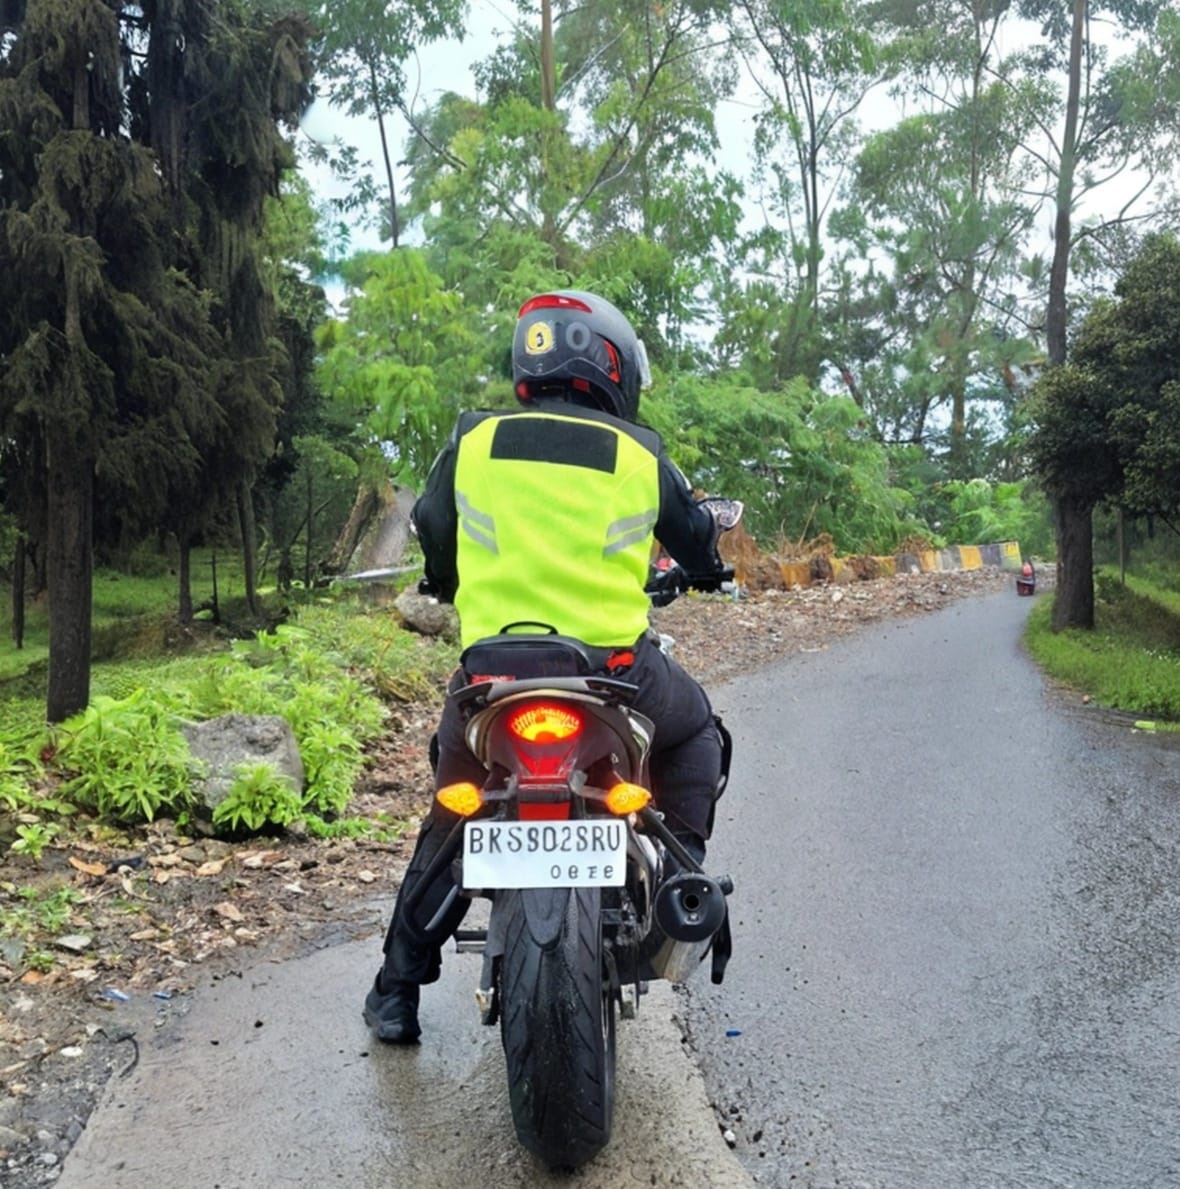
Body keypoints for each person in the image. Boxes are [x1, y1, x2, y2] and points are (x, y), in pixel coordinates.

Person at [364, 289, 733, 1044]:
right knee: (698, 734)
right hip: (616, 673)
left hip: (491, 680)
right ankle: (680, 885)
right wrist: (707, 566)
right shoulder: (639, 451)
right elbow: (696, 537)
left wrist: (444, 578)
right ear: (612, 365)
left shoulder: (473, 439)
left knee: (452, 807)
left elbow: (434, 526)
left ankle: (397, 989)